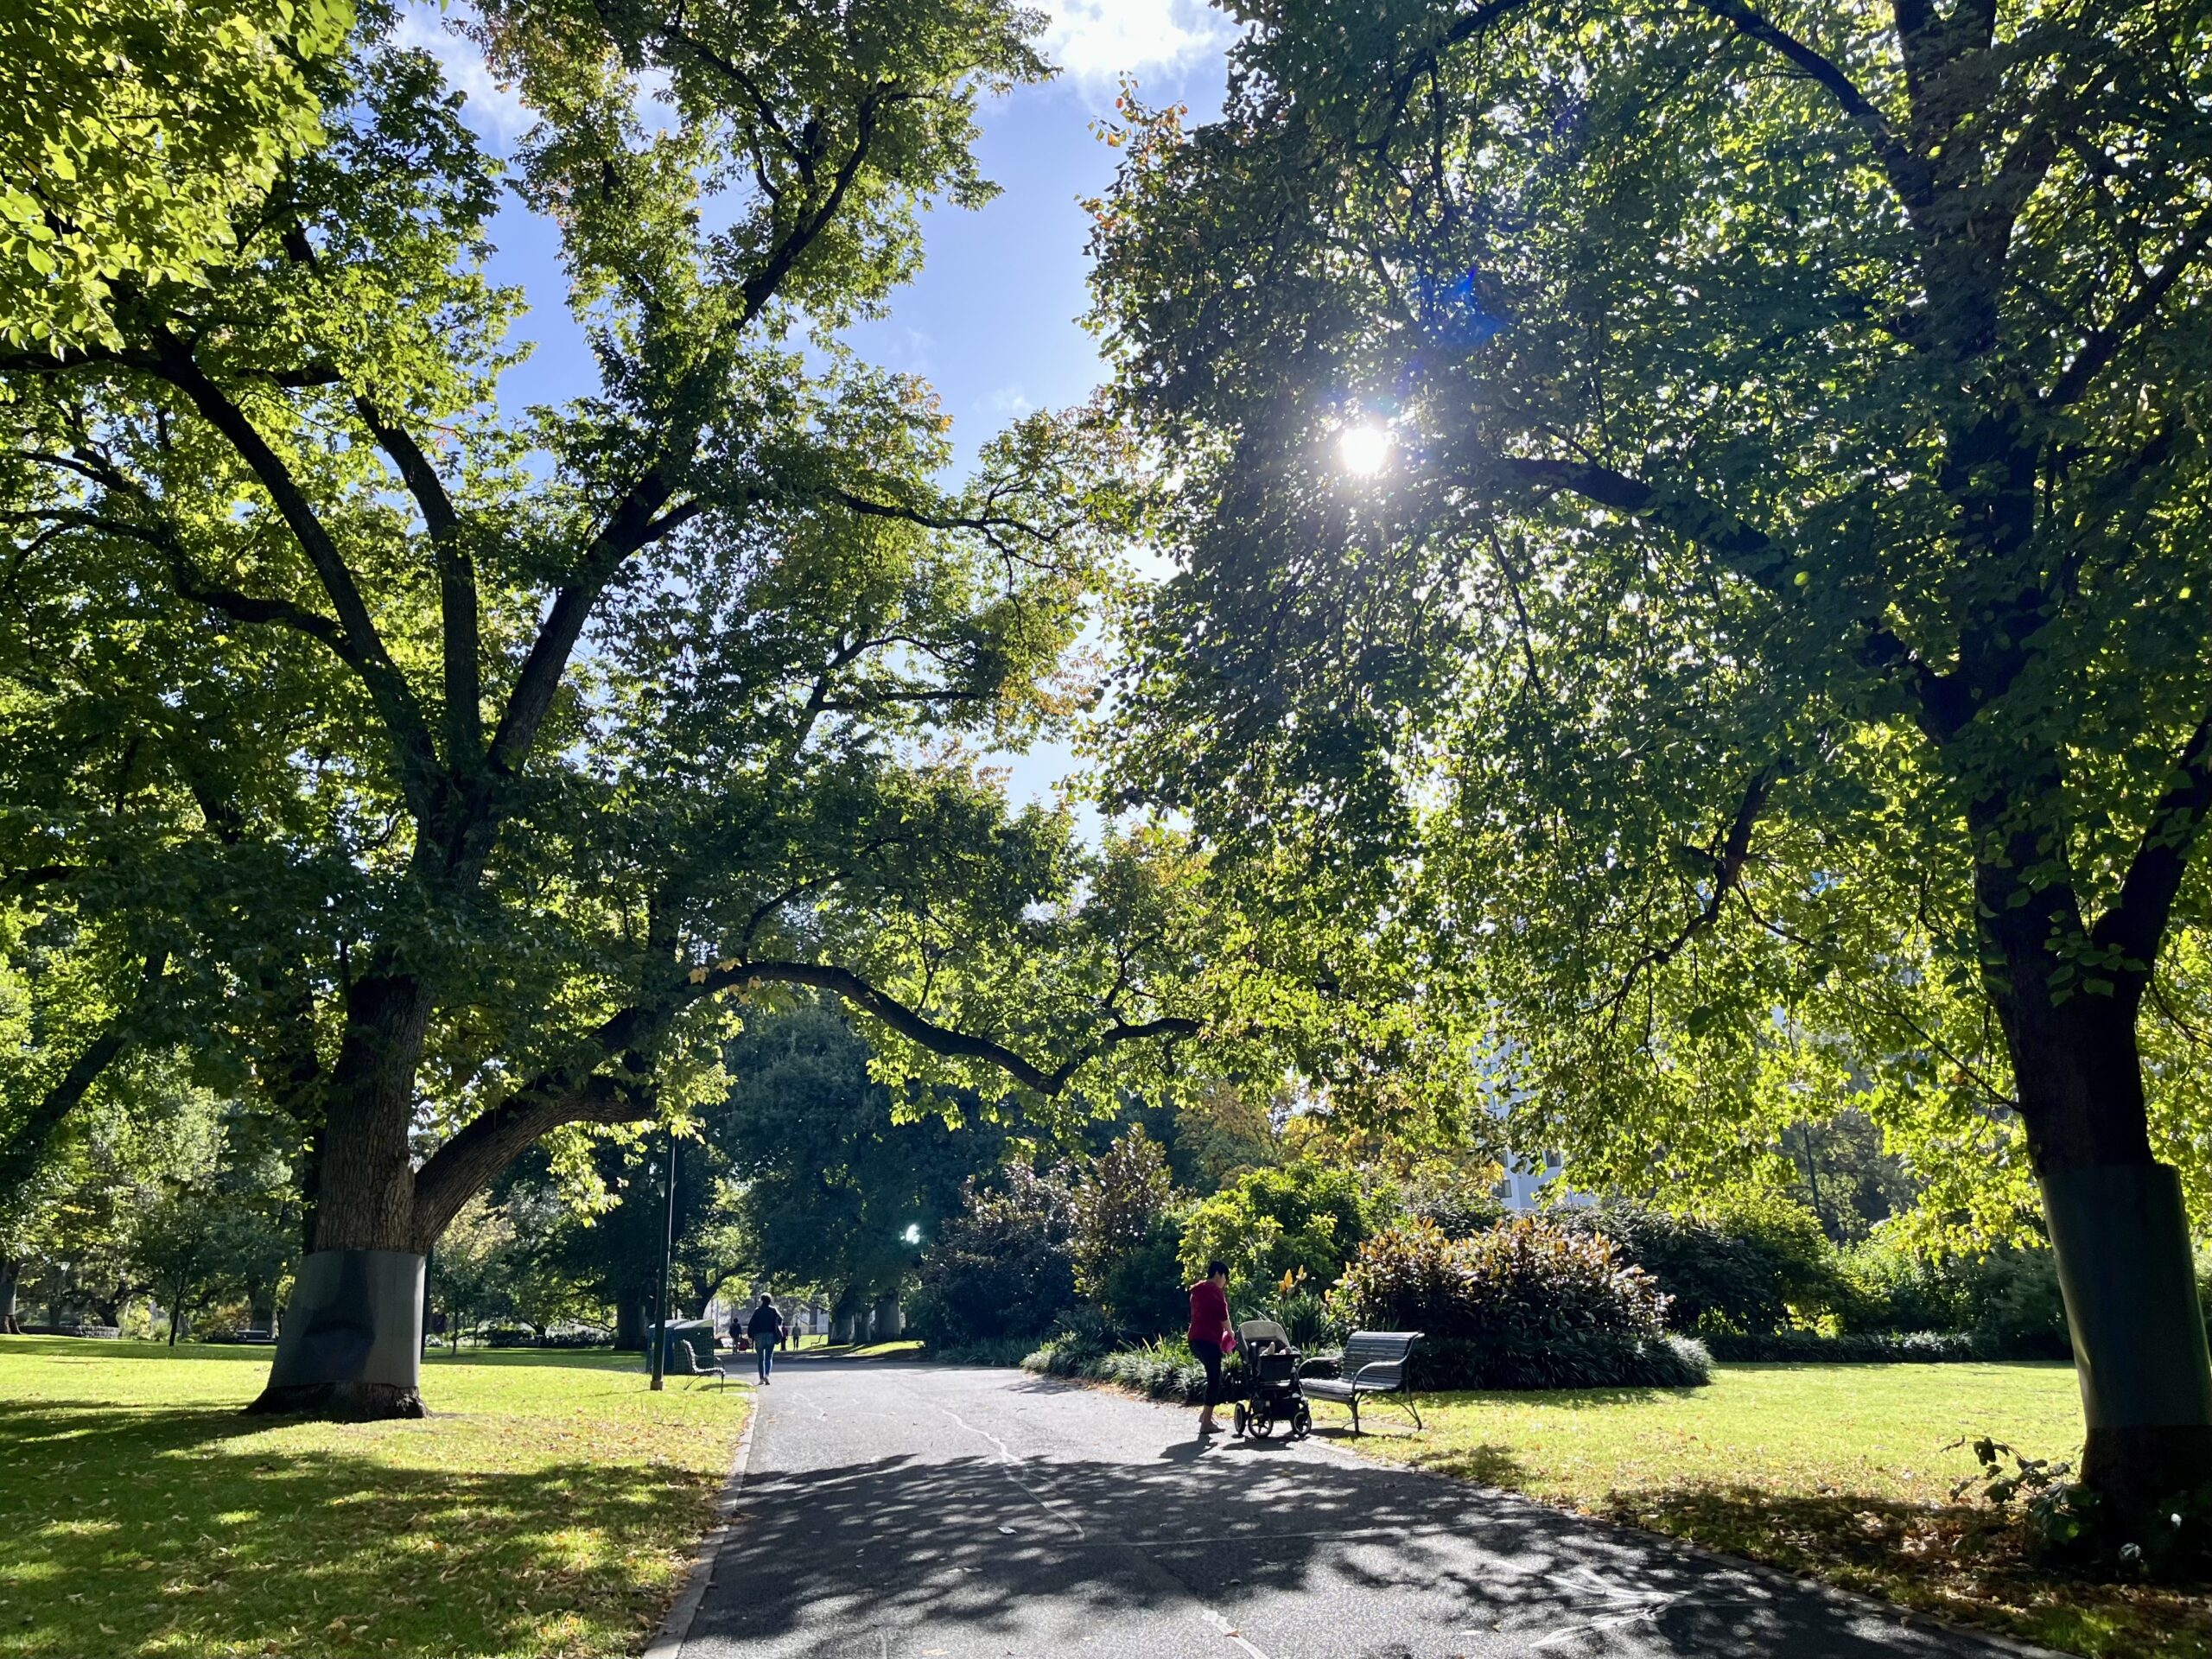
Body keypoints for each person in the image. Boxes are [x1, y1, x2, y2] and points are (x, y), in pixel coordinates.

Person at [1186, 1260, 1233, 1434]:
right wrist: (1231, 1333)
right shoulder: (1214, 1290)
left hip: (1194, 1339)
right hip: (1208, 1340)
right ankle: (1206, 1422)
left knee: (1211, 1376)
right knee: (1215, 1379)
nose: (1225, 1282)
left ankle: (1205, 1415)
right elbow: (1223, 1315)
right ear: (1219, 1274)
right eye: (1225, 1278)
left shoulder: (1196, 1291)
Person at [747, 1294, 785, 1384]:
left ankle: (761, 1378)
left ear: (762, 1300)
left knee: (760, 1359)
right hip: (770, 1335)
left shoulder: (757, 1311)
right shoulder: (773, 1310)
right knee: (768, 1357)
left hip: (759, 1335)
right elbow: (780, 1319)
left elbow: (752, 1324)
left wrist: (751, 1336)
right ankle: (767, 1375)